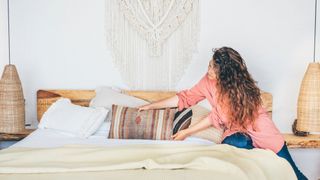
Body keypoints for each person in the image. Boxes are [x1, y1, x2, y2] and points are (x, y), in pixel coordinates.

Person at [138, 47, 307, 180]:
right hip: (237, 135)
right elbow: (186, 98)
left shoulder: (238, 90)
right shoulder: (208, 81)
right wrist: (152, 106)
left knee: (293, 173)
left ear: (224, 74)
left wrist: (187, 131)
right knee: (236, 143)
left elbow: (216, 117)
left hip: (262, 132)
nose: (208, 68)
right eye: (210, 64)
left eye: (212, 67)